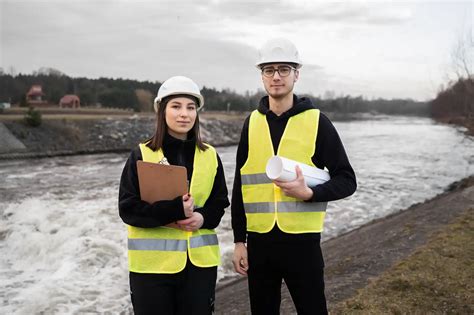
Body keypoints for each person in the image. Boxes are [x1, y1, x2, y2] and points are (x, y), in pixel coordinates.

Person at [231, 38, 357, 314]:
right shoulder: (251, 123)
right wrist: (239, 241)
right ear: (262, 76)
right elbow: (240, 186)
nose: (276, 76)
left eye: (284, 69)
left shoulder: (316, 121)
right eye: (269, 69)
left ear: (296, 74)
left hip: (303, 244)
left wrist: (310, 193)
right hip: (260, 244)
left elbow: (347, 179)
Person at [118, 76, 229, 315]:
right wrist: (175, 210)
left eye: (191, 108)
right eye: (176, 106)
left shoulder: (210, 155)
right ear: (162, 111)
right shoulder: (141, 154)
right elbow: (128, 209)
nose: (184, 114)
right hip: (152, 270)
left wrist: (202, 218)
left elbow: (219, 203)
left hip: (200, 267)